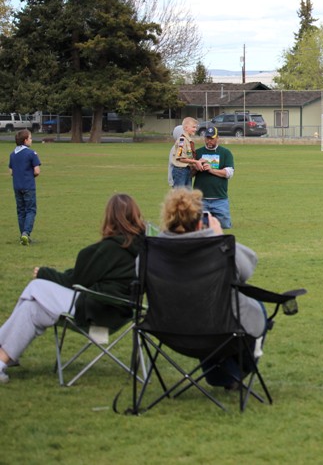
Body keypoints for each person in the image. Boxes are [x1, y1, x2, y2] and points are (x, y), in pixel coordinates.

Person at [0, 193, 146, 384]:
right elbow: (82, 276)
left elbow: (77, 279)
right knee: (32, 309)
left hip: (97, 311)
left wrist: (44, 273)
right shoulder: (143, 246)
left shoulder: (111, 249)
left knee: (36, 287)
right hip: (117, 310)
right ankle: (4, 358)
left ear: (110, 217)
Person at [157, 187, 267, 388]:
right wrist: (217, 236)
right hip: (216, 325)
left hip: (169, 327)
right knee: (256, 308)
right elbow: (246, 268)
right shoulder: (214, 248)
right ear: (200, 221)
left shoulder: (154, 249)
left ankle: (226, 374)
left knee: (206, 317)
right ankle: (233, 373)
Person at [193, 126, 235, 229]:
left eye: (212, 138)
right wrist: (196, 166)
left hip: (220, 198)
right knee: (199, 227)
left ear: (217, 138)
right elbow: (189, 174)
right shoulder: (198, 153)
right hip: (201, 199)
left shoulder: (225, 153)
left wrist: (212, 170)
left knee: (225, 226)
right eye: (207, 138)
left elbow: (229, 173)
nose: (209, 141)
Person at [9, 129, 42, 246]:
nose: (31, 140)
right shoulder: (31, 153)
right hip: (28, 186)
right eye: (31, 138)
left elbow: (11, 171)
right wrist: (29, 176)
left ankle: (23, 236)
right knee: (31, 210)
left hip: (17, 186)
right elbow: (37, 171)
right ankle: (26, 233)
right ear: (25, 140)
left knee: (21, 211)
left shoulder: (12, 154)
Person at [169, 117, 203, 188]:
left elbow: (189, 156)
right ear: (186, 127)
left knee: (187, 196)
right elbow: (180, 158)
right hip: (180, 170)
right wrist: (196, 162)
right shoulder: (182, 140)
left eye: (196, 127)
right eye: (193, 127)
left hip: (187, 170)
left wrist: (196, 162)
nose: (195, 129)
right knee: (180, 195)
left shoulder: (188, 141)